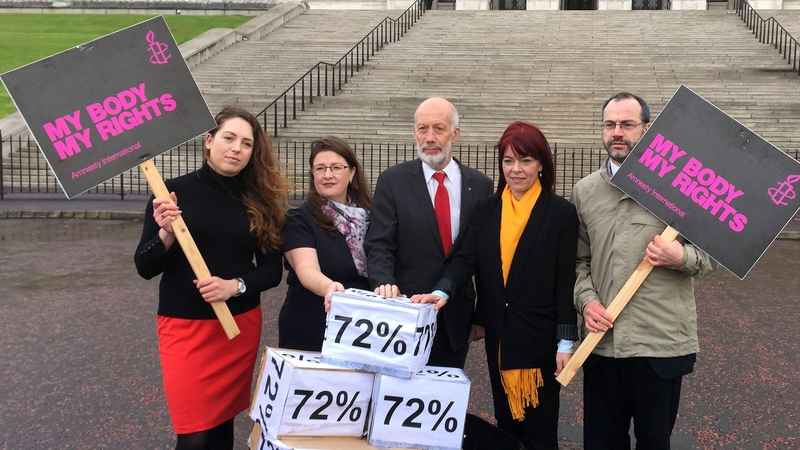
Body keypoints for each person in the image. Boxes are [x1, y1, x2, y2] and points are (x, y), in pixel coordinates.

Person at [412, 122, 579, 450]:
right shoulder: (487, 209)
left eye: (526, 160)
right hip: (500, 337)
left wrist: (565, 341)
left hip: (540, 339)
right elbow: (465, 259)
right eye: (508, 161)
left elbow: (565, 280)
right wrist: (443, 290)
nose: (516, 170)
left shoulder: (561, 213)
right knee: (506, 426)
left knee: (541, 431)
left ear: (542, 163)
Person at [134, 105, 289, 450]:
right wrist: (165, 234)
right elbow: (145, 266)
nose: (237, 148)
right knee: (194, 435)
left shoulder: (260, 200)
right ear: (208, 141)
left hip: (236, 326)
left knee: (219, 431)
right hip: (184, 328)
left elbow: (271, 271)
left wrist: (235, 286)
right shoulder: (170, 193)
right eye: (229, 138)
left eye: (247, 144)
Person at [570, 92, 718, 449]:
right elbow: (578, 263)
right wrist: (586, 302)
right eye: (610, 124)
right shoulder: (585, 191)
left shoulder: (684, 188)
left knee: (655, 442)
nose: (617, 132)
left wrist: (680, 256)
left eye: (627, 124)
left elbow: (712, 255)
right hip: (603, 344)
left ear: (648, 129)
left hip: (660, 344)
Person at [364, 97, 493, 369]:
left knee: (443, 399)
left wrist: (482, 314)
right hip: (404, 312)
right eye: (423, 129)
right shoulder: (392, 180)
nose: (430, 137)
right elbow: (379, 243)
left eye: (439, 128)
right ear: (414, 133)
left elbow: (484, 256)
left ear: (455, 134)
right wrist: (383, 282)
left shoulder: (480, 185)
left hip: (456, 315)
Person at [279, 136, 378, 351]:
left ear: (352, 172)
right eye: (320, 168)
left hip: (363, 326)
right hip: (312, 324)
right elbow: (306, 269)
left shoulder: (373, 215)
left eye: (336, 167)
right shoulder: (299, 218)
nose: (327, 175)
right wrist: (329, 288)